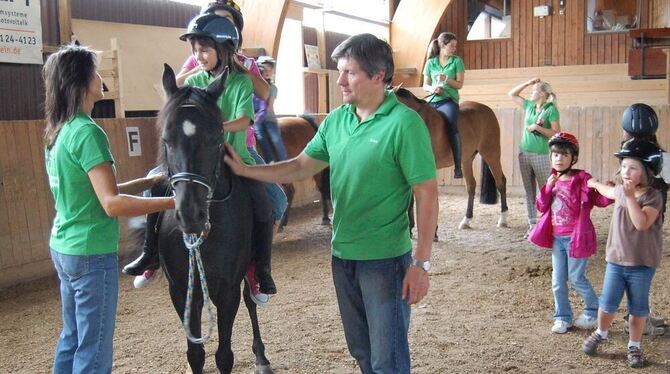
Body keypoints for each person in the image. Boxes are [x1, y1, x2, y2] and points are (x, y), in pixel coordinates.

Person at [224, 33, 438, 373]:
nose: (339, 80)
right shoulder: (337, 120)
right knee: (362, 352)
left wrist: (421, 263)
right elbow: (298, 166)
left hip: (384, 260)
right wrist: (247, 171)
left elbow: (426, 192)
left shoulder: (405, 124)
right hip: (343, 256)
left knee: (388, 358)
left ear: (378, 75)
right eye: (340, 71)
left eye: (349, 72)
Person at [123, 14, 277, 298]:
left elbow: (245, 119)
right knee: (152, 184)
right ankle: (150, 253)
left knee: (268, 201)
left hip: (236, 157)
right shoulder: (192, 80)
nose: (198, 56)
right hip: (198, 160)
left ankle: (261, 269)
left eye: (204, 49)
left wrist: (216, 127)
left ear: (224, 49)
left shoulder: (242, 82)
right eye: (195, 50)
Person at [43, 44, 175, 373]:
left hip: (65, 248)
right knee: (95, 345)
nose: (100, 77)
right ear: (82, 80)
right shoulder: (88, 132)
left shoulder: (60, 132)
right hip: (90, 253)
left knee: (72, 337)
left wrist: (147, 182)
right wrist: (174, 201)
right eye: (95, 71)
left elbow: (100, 192)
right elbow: (112, 204)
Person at [581, 138, 664, 368]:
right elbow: (607, 191)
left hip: (642, 264)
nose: (626, 171)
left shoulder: (653, 197)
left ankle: (634, 346)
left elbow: (642, 223)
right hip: (616, 261)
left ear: (647, 171)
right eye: (624, 166)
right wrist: (594, 184)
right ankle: (601, 332)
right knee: (607, 303)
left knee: (638, 308)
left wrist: (628, 197)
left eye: (633, 167)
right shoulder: (620, 191)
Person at [528, 133, 611, 334]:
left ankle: (592, 311)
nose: (559, 158)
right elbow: (541, 205)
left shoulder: (582, 179)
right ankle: (563, 317)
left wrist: (609, 190)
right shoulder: (552, 180)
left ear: (573, 158)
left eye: (564, 155)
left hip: (576, 237)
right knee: (557, 281)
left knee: (576, 278)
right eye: (555, 154)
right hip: (557, 238)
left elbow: (598, 200)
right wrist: (547, 187)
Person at [619, 103, 668, 336]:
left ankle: (639, 316)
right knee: (641, 275)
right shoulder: (660, 156)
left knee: (633, 273)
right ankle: (639, 318)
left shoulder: (626, 152)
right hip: (652, 222)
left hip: (626, 224)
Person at [508, 78, 560, 238]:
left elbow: (556, 132)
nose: (532, 93)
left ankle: (550, 222)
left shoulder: (551, 109)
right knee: (529, 191)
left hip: (541, 153)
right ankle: (532, 223)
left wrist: (537, 127)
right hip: (525, 152)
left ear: (543, 94)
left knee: (546, 189)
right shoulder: (530, 106)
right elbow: (512, 94)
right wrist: (527, 83)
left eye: (535, 90)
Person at [422, 32, 464, 178]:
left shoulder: (457, 61)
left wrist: (446, 79)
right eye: (451, 46)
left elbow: (459, 85)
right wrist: (433, 88)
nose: (454, 49)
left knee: (452, 125)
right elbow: (425, 85)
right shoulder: (430, 62)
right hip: (432, 100)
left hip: (448, 101)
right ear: (442, 45)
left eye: (455, 46)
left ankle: (458, 166)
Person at [254, 56, 288, 162]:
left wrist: (258, 115)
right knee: (262, 139)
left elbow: (269, 107)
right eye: (265, 70)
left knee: (276, 139)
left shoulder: (273, 88)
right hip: (256, 119)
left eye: (270, 70)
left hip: (269, 118)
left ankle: (284, 162)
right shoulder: (253, 86)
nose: (267, 72)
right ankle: (269, 162)